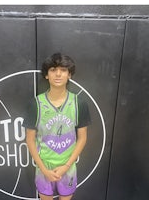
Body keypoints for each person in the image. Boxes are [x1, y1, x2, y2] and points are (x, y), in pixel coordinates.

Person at [25, 53, 91, 200]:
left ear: (70, 75)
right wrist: (44, 169)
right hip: (44, 167)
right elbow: (29, 140)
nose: (58, 74)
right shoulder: (35, 104)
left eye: (63, 70)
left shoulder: (79, 103)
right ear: (47, 75)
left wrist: (66, 166)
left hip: (68, 167)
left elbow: (82, 137)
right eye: (53, 69)